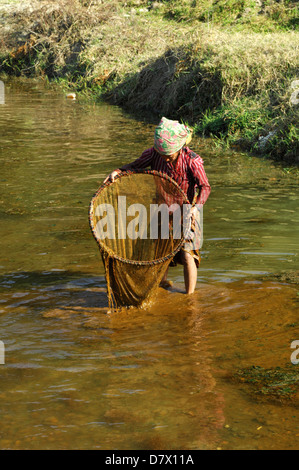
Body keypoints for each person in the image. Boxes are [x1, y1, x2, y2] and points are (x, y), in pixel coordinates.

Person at [103, 117, 211, 294]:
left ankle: (190, 296)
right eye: (163, 156)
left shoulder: (192, 161)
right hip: (161, 208)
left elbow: (205, 187)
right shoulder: (154, 154)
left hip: (187, 211)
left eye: (169, 156)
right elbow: (134, 167)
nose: (166, 160)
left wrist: (195, 208)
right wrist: (118, 171)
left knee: (187, 254)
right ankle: (162, 285)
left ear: (179, 149)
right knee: (160, 252)